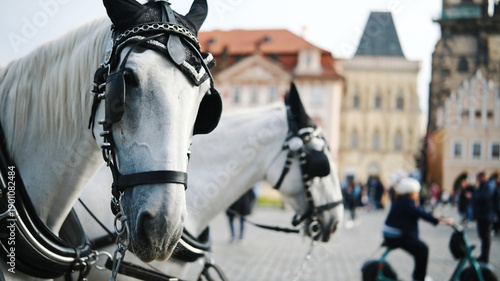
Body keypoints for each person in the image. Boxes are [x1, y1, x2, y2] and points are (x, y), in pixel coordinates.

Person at [382, 178, 453, 281]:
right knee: (423, 249)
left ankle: (419, 276)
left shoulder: (403, 201)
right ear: (410, 193)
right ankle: (420, 278)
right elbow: (421, 214)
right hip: (394, 235)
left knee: (419, 249)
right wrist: (444, 221)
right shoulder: (406, 203)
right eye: (416, 193)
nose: (417, 194)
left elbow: (421, 211)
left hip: (393, 233)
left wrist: (441, 218)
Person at [471, 171, 498, 263]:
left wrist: (473, 196)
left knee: (485, 237)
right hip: (482, 215)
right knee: (483, 236)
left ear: (482, 176)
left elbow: (484, 197)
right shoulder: (485, 185)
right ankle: (483, 256)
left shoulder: (489, 185)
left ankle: (485, 258)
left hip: (486, 215)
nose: (477, 180)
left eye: (477, 177)